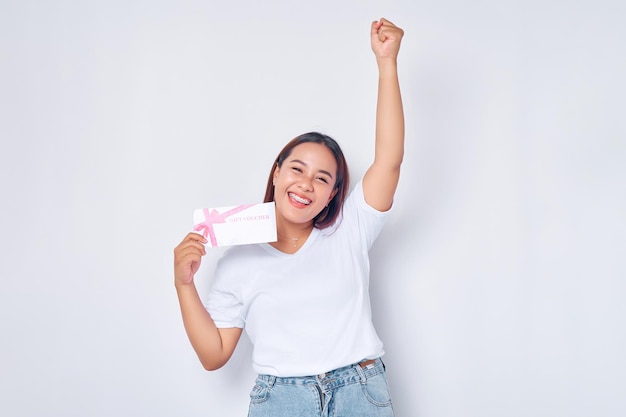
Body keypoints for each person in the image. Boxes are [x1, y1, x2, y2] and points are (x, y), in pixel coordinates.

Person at [174, 18, 404, 417]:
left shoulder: (350, 230)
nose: (305, 185)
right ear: (277, 173)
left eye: (322, 178)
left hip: (359, 392)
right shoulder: (238, 261)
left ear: (334, 193)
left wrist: (387, 63)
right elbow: (214, 355)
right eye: (297, 169)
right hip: (281, 400)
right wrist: (183, 284)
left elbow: (389, 161)